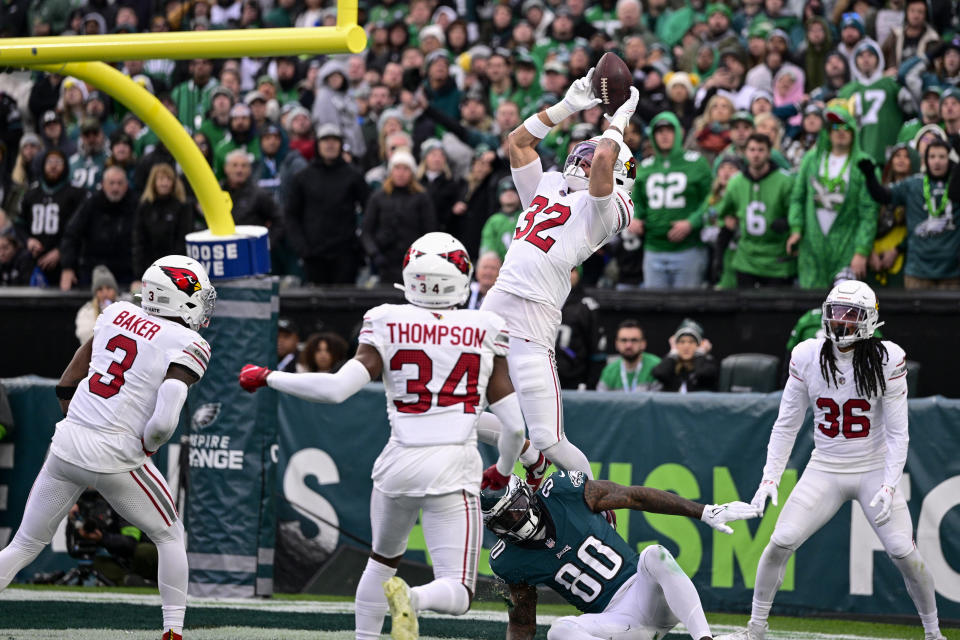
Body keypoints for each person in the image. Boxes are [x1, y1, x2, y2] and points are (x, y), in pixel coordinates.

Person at [237, 232, 526, 640]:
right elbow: (514, 426)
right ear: (461, 276)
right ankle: (413, 598)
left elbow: (336, 389)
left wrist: (269, 376)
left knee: (380, 561)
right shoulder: (486, 326)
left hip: (395, 465)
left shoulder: (387, 319)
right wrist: (503, 468)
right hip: (452, 468)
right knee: (459, 591)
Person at [0, 255, 217, 640]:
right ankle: (173, 631)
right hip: (118, 455)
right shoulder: (188, 341)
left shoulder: (114, 313)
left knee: (24, 544)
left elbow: (66, 384)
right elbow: (165, 419)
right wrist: (146, 445)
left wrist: (86, 423)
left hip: (67, 445)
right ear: (179, 297)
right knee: (169, 536)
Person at [720, 280, 945, 640]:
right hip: (824, 466)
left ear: (870, 319)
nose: (841, 322)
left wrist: (889, 484)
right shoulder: (807, 354)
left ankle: (934, 634)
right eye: (836, 313)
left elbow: (898, 433)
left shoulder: (888, 358)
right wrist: (769, 478)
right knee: (780, 541)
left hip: (872, 466)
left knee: (904, 551)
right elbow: (786, 425)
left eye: (851, 315)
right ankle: (755, 630)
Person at [480, 68, 638, 480]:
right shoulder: (549, 184)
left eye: (590, 158)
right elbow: (517, 141)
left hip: (536, 318)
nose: (584, 161)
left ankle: (596, 509)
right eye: (580, 155)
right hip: (495, 302)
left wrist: (619, 118)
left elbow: (605, 159)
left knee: (553, 439)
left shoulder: (611, 208)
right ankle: (529, 459)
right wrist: (568, 105)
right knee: (461, 411)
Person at [483, 472, 758, 640]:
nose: (513, 522)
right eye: (502, 521)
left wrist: (702, 511)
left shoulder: (563, 492)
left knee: (654, 554)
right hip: (618, 623)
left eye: (515, 509)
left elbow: (636, 497)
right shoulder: (508, 560)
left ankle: (705, 639)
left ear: (526, 495)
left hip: (649, 594)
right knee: (559, 631)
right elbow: (522, 623)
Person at [787, 105, 877, 288]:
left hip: (847, 246)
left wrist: (862, 250)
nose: (840, 132)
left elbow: (869, 212)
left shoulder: (864, 164)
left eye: (845, 127)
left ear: (853, 131)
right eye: (835, 127)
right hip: (812, 246)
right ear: (828, 132)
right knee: (812, 308)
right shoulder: (811, 159)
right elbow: (797, 197)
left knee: (843, 309)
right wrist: (796, 229)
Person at [859, 140, 960, 289]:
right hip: (918, 273)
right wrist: (870, 177)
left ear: (949, 160)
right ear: (925, 160)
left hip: (953, 274)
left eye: (942, 157)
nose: (937, 161)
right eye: (932, 157)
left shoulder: (957, 185)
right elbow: (883, 196)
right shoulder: (913, 184)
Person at [634, 112, 713, 288]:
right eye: (659, 131)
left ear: (679, 132)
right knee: (656, 309)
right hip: (653, 248)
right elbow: (636, 200)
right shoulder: (645, 167)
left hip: (688, 249)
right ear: (652, 135)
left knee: (686, 307)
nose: (664, 135)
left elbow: (711, 199)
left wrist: (692, 222)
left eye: (669, 130)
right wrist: (635, 218)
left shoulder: (697, 163)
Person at [285, 124, 369, 285]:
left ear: (340, 145)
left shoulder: (353, 175)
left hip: (346, 255)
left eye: (334, 140)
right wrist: (302, 247)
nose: (330, 145)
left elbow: (370, 211)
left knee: (345, 304)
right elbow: (291, 215)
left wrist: (359, 244)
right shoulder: (303, 177)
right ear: (318, 144)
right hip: (313, 255)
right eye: (325, 140)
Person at [716, 133, 796, 287]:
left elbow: (796, 213)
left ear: (769, 152)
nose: (756, 155)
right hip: (747, 259)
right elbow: (727, 219)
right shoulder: (736, 183)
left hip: (777, 260)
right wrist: (719, 256)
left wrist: (787, 222)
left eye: (761, 150)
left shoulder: (785, 181)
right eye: (752, 150)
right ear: (745, 152)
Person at [361, 150, 437, 286]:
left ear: (412, 172)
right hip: (385, 263)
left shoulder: (422, 197)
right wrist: (375, 254)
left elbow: (430, 232)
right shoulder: (378, 197)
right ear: (391, 171)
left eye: (406, 168)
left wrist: (422, 257)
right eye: (397, 168)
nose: (401, 173)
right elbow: (366, 231)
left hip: (414, 266)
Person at [60, 165, 139, 290]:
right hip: (93, 269)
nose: (115, 188)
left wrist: (140, 276)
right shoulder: (91, 203)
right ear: (103, 184)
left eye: (120, 183)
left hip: (127, 271)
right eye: (111, 183)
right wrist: (67, 268)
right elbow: (71, 235)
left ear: (127, 185)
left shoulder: (136, 205)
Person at [18, 149, 89, 286]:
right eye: (50, 162)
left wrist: (61, 251)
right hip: (34, 260)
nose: (53, 166)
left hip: (65, 263)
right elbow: (19, 223)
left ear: (66, 166)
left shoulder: (76, 194)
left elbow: (81, 231)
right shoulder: (31, 194)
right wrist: (29, 241)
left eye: (58, 162)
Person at [132, 164, 195, 278]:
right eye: (161, 179)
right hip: (149, 267)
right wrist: (139, 273)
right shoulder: (145, 206)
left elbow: (182, 240)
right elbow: (139, 241)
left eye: (168, 179)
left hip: (176, 269)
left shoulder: (182, 206)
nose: (164, 183)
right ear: (153, 182)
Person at [652, 322, 719, 392]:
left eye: (691, 342)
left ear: (699, 346)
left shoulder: (708, 363)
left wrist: (700, 353)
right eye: (682, 342)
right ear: (675, 345)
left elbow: (701, 374)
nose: (686, 347)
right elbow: (659, 373)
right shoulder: (670, 365)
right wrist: (673, 352)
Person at [597, 320, 662, 392]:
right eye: (624, 340)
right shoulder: (609, 371)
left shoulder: (657, 366)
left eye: (634, 340)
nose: (628, 345)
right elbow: (601, 401)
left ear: (643, 344)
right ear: (616, 344)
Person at [75, 265, 119, 344]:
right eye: (100, 289)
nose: (105, 293)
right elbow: (84, 335)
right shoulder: (86, 311)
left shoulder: (125, 307)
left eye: (108, 288)